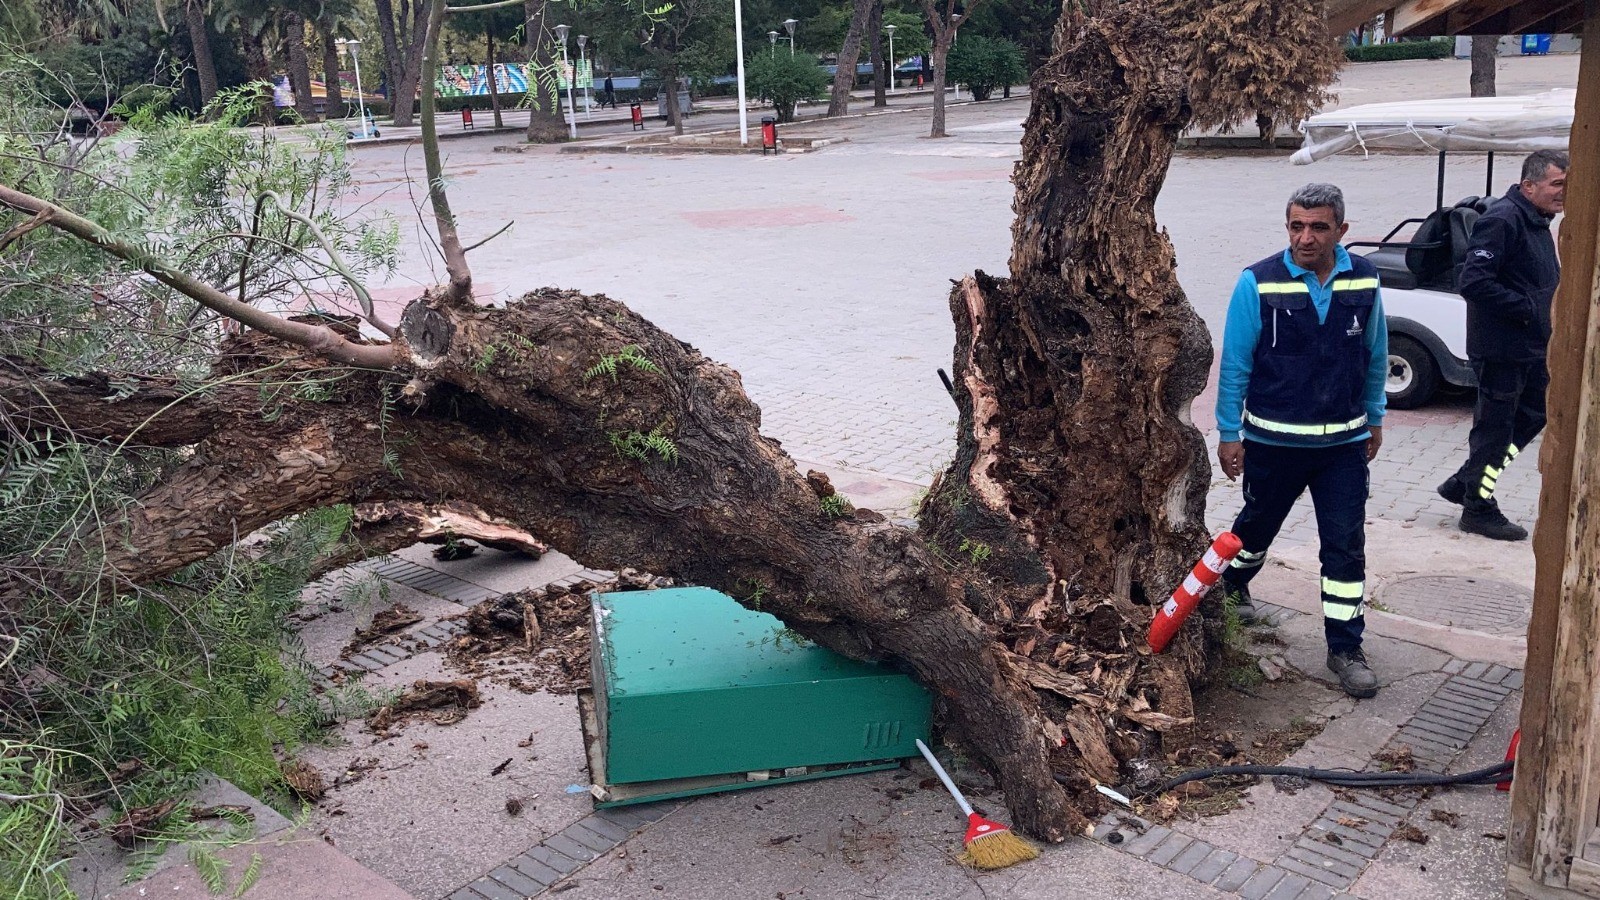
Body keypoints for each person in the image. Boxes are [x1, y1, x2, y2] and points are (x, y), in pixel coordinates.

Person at [1215, 183, 1389, 699]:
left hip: (1343, 447)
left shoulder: (1366, 279)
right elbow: (1235, 364)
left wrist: (1375, 418)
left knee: (1344, 547)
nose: (1305, 238)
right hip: (1273, 444)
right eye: (1296, 226)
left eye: (1318, 227)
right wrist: (1229, 433)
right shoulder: (1257, 282)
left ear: (1341, 230)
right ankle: (1232, 586)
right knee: (1255, 530)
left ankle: (1345, 648)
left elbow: (1376, 355)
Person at [1437, 150, 1567, 541]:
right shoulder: (1503, 219)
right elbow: (1474, 282)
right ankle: (1477, 507)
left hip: (1531, 347)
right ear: (1529, 185)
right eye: (1557, 184)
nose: (1564, 192)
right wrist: (1528, 308)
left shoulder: (1536, 219)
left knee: (1536, 414)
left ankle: (1468, 480)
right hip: (1502, 350)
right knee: (1494, 431)